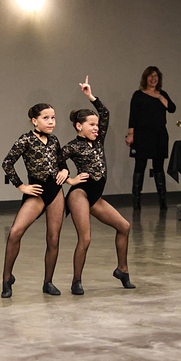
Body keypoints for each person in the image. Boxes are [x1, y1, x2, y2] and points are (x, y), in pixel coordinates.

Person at [63, 76, 135, 295]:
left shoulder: (99, 139)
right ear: (79, 126)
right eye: (91, 125)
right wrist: (70, 180)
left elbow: (105, 113)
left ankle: (122, 269)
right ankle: (76, 281)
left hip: (95, 197)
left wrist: (90, 96)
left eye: (96, 125)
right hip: (80, 194)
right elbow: (53, 163)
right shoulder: (73, 146)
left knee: (124, 227)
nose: (96, 128)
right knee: (85, 238)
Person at [1, 103, 69, 298]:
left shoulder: (54, 140)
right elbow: (7, 163)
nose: (51, 121)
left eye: (53, 118)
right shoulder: (26, 140)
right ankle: (7, 278)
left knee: (53, 239)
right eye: (46, 118)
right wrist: (21, 186)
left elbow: (61, 163)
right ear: (34, 121)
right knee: (15, 232)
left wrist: (65, 171)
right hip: (36, 192)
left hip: (55, 192)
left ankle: (48, 282)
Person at [126, 66, 176, 211]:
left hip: (159, 135)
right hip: (142, 135)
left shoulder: (162, 94)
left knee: (159, 167)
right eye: (150, 76)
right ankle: (136, 201)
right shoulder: (138, 95)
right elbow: (133, 116)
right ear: (145, 78)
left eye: (156, 76)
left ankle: (162, 201)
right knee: (140, 166)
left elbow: (172, 108)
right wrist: (131, 134)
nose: (153, 79)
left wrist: (159, 96)